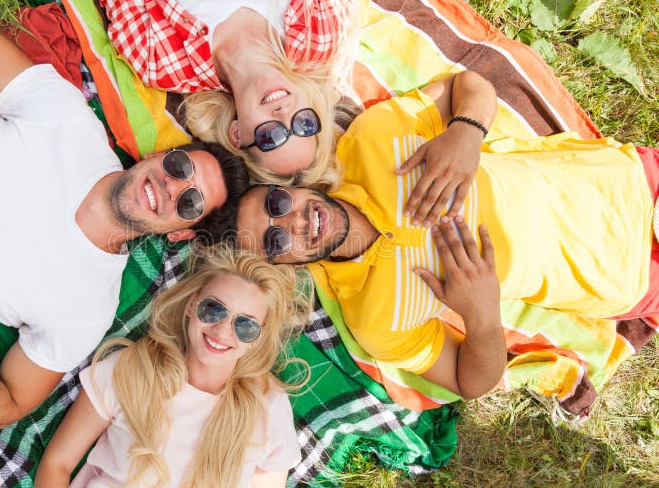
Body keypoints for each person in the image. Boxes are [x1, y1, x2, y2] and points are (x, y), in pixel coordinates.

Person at [0, 16, 249, 429]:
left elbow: (8, 405)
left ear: (182, 232)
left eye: (190, 202)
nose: (172, 186)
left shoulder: (88, 310)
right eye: (179, 164)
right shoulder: (69, 122)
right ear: (157, 156)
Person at [224, 69, 659, 400]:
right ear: (289, 267)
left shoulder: (367, 141)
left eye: (277, 204)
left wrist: (466, 132)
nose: (293, 222)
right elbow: (471, 382)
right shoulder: (375, 322)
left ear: (291, 187)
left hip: (627, 182)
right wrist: (483, 316)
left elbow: (467, 84)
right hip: (628, 275)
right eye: (277, 242)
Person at [34, 245, 310, 488]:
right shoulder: (131, 369)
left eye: (245, 326)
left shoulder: (267, 405)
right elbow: (57, 464)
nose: (223, 331)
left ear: (257, 339)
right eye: (214, 309)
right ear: (191, 305)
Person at [80, 0, 355, 187]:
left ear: (236, 134)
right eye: (305, 124)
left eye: (270, 136)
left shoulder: (161, 60)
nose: (284, 114)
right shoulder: (321, 35)